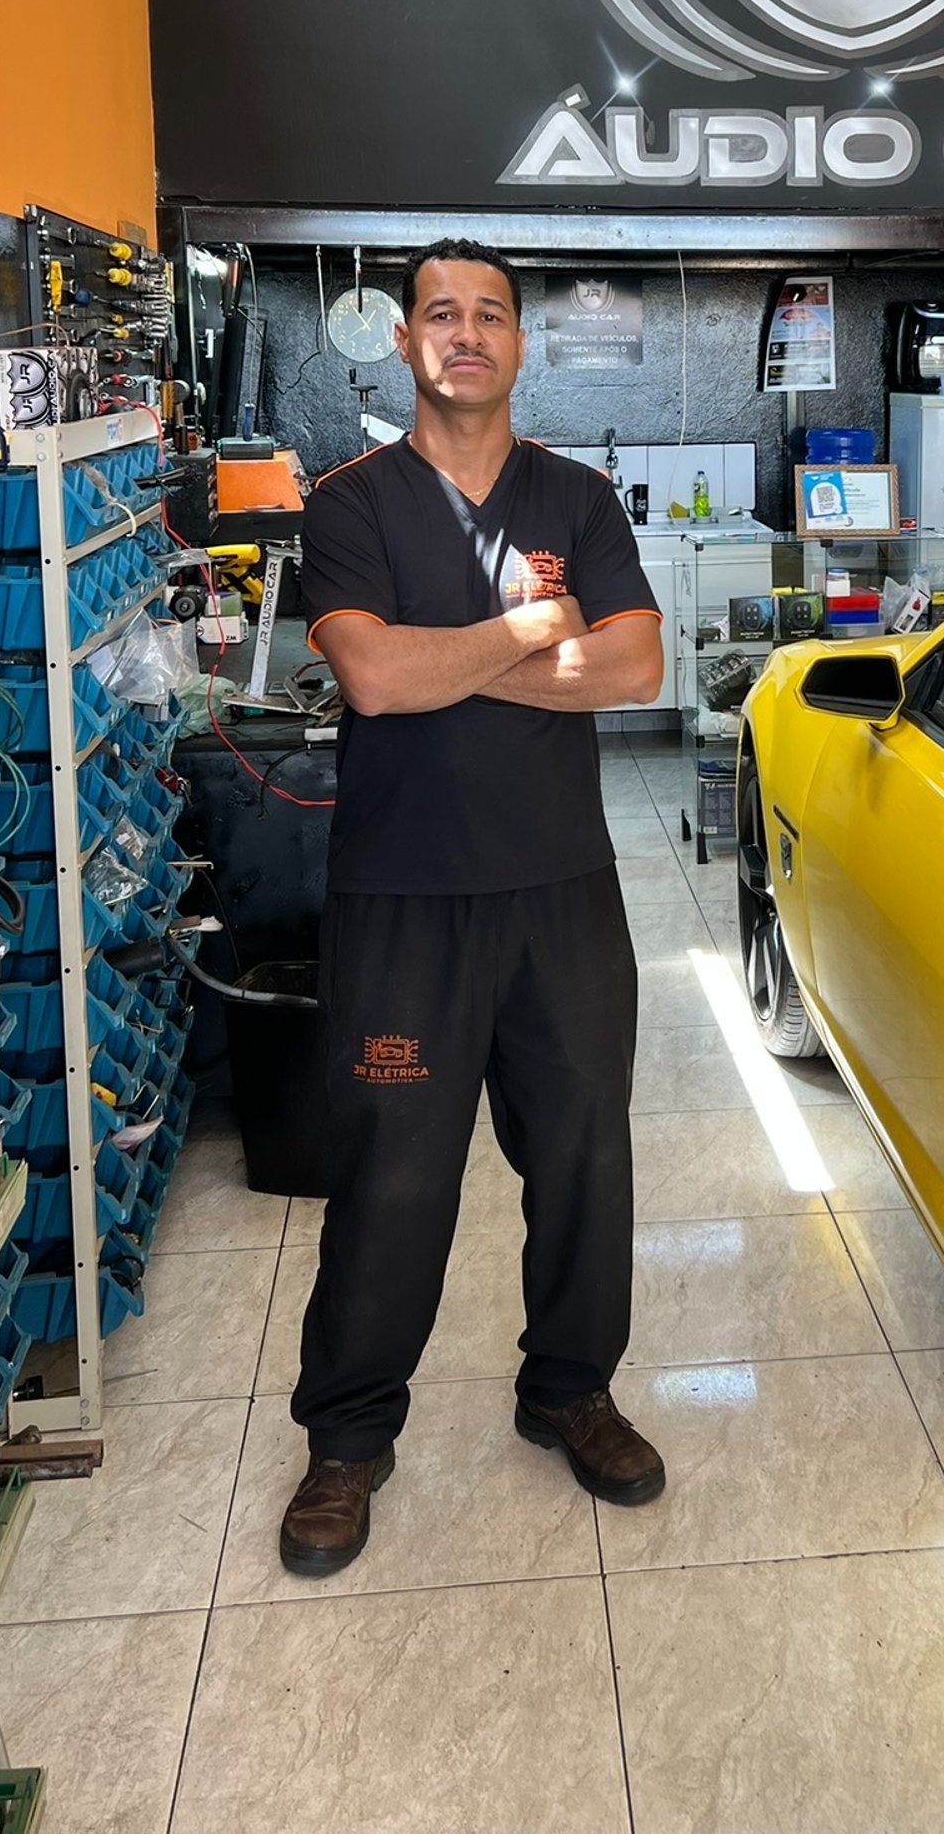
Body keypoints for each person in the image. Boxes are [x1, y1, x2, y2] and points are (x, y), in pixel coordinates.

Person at [279, 238, 668, 1576]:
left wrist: (451, 662)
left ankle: (570, 1388)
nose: (465, 333)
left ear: (519, 342)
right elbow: (373, 680)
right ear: (405, 342)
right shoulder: (351, 505)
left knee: (584, 1160)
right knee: (393, 1178)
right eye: (440, 313)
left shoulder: (581, 495)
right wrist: (521, 633)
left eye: (490, 314)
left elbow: (630, 665)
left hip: (563, 894)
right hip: (403, 907)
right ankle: (346, 1439)